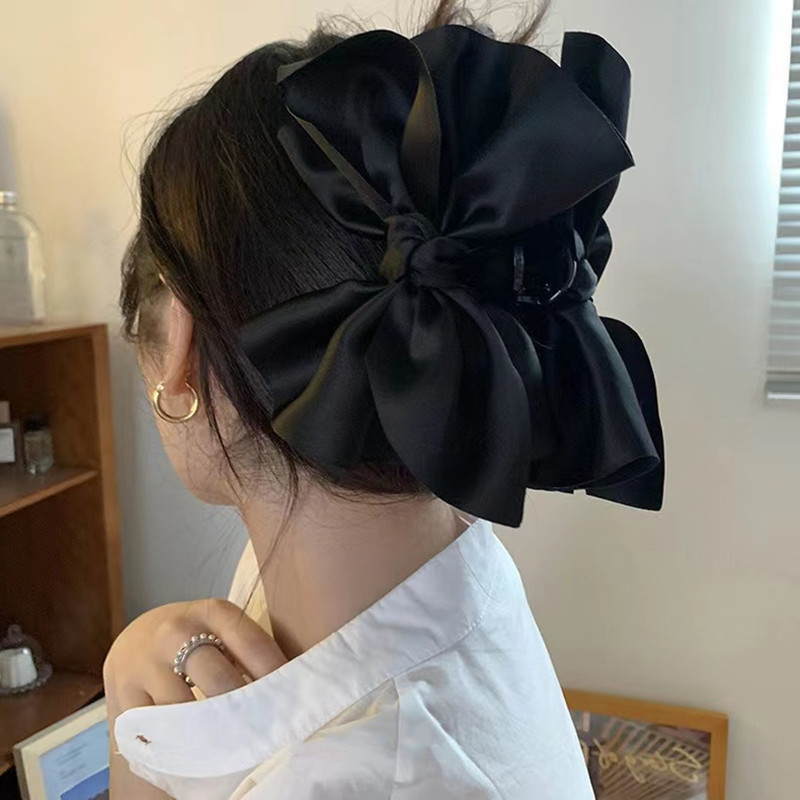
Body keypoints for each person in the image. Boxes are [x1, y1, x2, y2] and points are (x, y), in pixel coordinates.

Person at [103, 0, 664, 797]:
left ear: (181, 352)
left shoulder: (345, 775)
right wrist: (135, 681)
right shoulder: (445, 566)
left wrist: (129, 737)